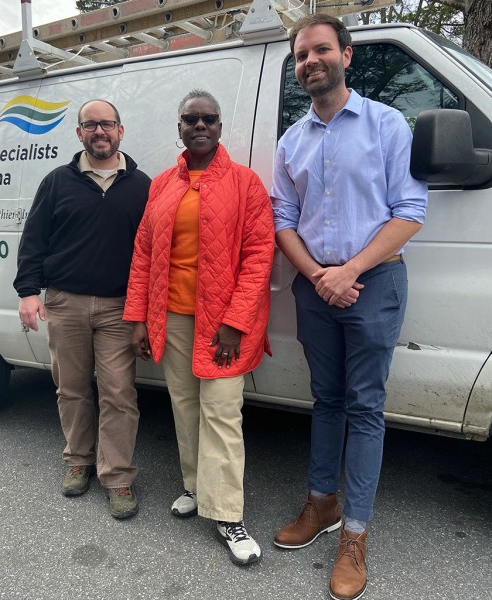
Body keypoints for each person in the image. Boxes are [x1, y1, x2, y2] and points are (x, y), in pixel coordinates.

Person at [270, 14, 428, 600]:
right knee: (326, 401)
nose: (310, 61)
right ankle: (321, 504)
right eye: (301, 55)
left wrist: (349, 271)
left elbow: (410, 210)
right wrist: (317, 275)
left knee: (365, 407)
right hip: (315, 287)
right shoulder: (293, 140)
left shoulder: (387, 125)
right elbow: (282, 219)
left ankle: (354, 536)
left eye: (320, 50)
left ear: (346, 55)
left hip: (373, 285)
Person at [123, 89, 274, 566]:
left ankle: (228, 513)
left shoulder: (246, 184)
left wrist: (234, 323)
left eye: (209, 118)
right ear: (181, 127)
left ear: (221, 127)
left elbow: (259, 257)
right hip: (173, 318)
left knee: (223, 413)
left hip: (223, 324)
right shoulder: (163, 184)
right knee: (184, 407)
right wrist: (140, 320)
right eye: (192, 119)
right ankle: (194, 487)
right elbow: (144, 254)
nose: (201, 126)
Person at [14, 99, 150, 519]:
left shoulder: (143, 185)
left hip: (117, 308)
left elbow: (151, 252)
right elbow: (34, 238)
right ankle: (78, 460)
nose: (99, 132)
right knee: (70, 387)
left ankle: (118, 477)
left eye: (107, 124)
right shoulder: (57, 181)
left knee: (118, 393)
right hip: (65, 302)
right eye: (90, 125)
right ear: (79, 134)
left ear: (121, 130)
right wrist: (27, 291)